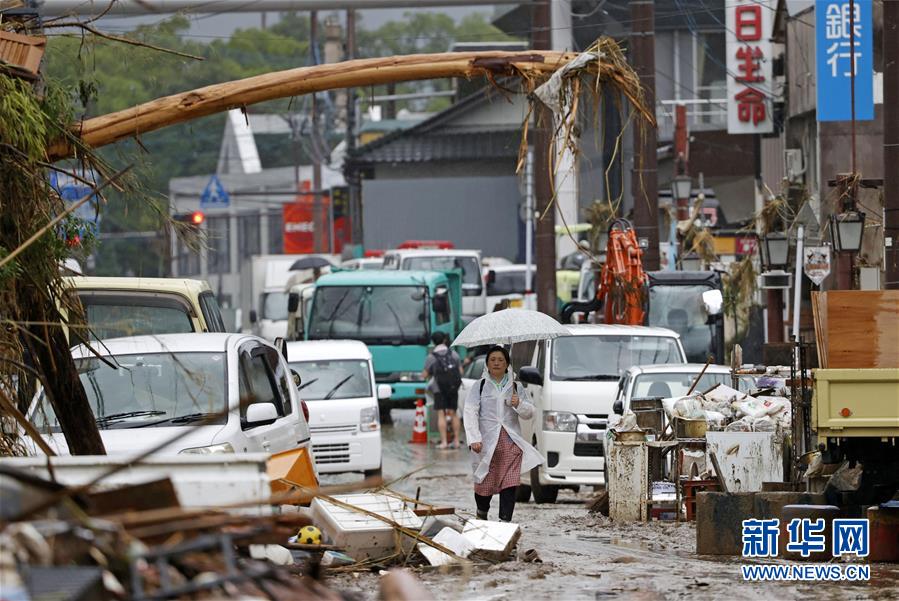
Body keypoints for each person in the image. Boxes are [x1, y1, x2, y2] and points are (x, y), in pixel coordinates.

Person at [463, 346, 543, 522]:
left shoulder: (515, 386)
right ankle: (482, 513)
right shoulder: (480, 386)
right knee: (484, 484)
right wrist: (474, 438)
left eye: (500, 359)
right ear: (487, 364)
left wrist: (519, 403)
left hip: (510, 442)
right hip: (485, 442)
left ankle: (505, 522)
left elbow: (529, 413)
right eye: (493, 360)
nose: (497, 363)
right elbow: (470, 412)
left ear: (507, 363)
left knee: (510, 483)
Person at [421, 331, 463, 449]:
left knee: (441, 414)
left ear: (433, 342)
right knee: (454, 414)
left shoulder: (431, 357)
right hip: (453, 387)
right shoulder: (453, 354)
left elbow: (424, 375)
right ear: (445, 340)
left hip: (438, 389)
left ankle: (444, 442)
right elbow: (461, 372)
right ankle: (456, 441)